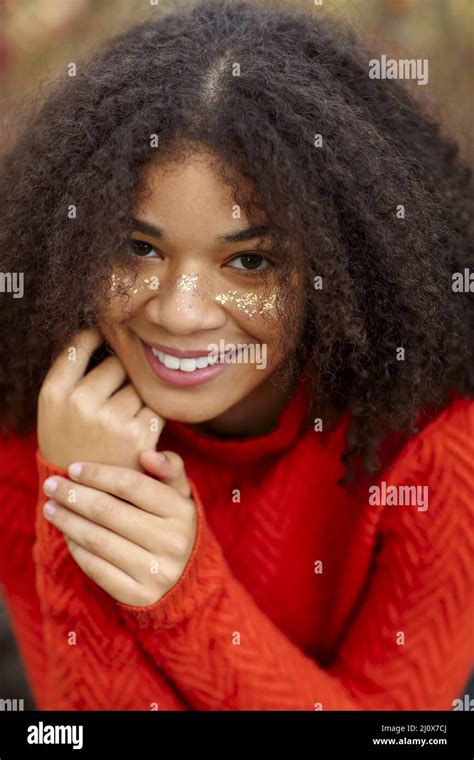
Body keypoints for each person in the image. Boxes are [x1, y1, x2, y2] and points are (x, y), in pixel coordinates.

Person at [0, 0, 472, 711]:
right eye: (138, 248)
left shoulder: (439, 449)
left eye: (251, 262)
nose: (179, 312)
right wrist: (82, 502)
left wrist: (183, 596)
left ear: (342, 266)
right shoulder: (40, 427)